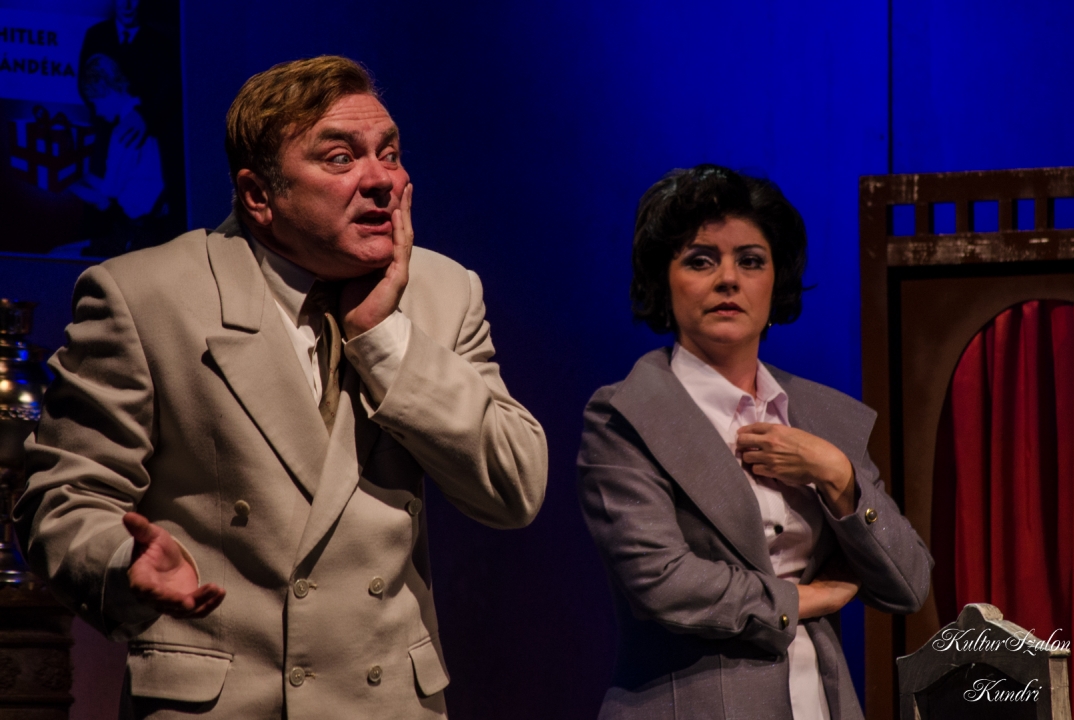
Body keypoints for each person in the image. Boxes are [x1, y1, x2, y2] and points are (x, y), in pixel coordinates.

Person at [15, 56, 548, 719]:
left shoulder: (443, 290)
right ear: (259, 195)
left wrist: (384, 340)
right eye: (340, 158)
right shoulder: (147, 297)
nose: (381, 179)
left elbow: (513, 487)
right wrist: (124, 565)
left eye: (389, 153)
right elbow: (64, 498)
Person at [577, 164, 932, 719]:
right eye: (700, 260)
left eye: (750, 260)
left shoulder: (820, 414)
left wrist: (836, 473)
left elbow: (908, 585)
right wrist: (799, 599)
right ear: (663, 281)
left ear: (775, 281)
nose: (728, 279)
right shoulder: (626, 416)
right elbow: (662, 581)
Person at [68, 53, 166, 247]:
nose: (97, 112)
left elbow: (106, 195)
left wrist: (68, 188)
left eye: (94, 102)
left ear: (103, 88)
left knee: (59, 253)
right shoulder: (143, 117)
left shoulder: (125, 129)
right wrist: (84, 178)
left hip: (138, 232)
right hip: (143, 225)